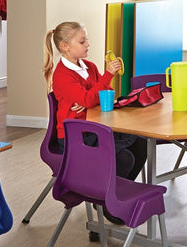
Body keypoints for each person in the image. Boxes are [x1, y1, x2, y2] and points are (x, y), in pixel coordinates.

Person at [43, 21, 147, 222]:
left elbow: (104, 94)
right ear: (65, 46)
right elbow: (91, 97)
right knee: (125, 157)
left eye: (87, 40)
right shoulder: (62, 76)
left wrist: (89, 99)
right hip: (76, 138)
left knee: (140, 142)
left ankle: (119, 198)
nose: (88, 44)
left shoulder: (89, 67)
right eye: (82, 41)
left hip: (94, 129)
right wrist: (95, 92)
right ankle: (109, 203)